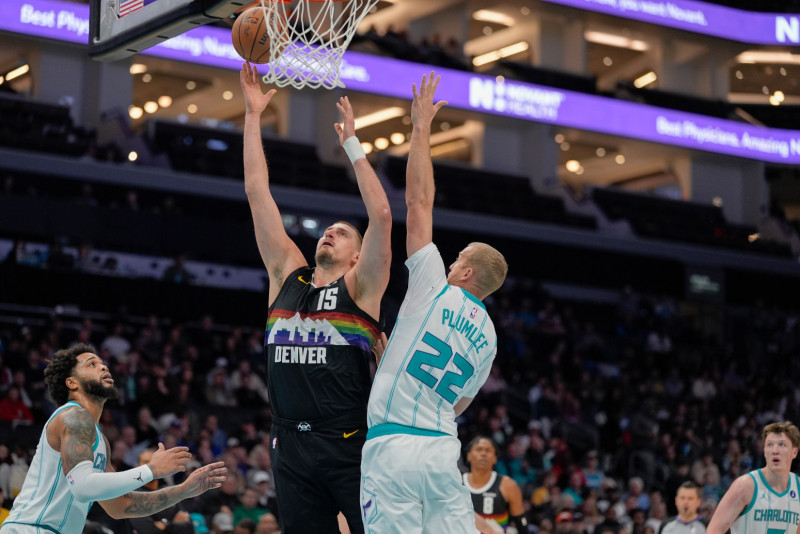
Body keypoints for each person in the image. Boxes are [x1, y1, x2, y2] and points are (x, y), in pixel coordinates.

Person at [240, 62, 392, 534]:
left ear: (358, 257)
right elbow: (257, 192)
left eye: (342, 233)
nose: (330, 232)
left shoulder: (362, 287)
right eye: (328, 229)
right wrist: (252, 115)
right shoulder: (287, 274)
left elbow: (382, 214)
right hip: (289, 444)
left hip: (346, 442)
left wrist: (352, 145)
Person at [359, 71, 508, 533]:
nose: (450, 263)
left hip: (393, 447)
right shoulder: (489, 338)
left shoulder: (433, 287)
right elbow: (460, 403)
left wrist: (420, 126)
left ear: (465, 272)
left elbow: (419, 202)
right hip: (443, 452)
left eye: (457, 258)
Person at [0, 343, 227, 534]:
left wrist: (184, 490)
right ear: (71, 382)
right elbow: (82, 487)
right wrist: (151, 470)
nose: (103, 366)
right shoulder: (73, 416)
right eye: (91, 364)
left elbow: (120, 506)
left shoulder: (100, 440)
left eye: (102, 362)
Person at [706, 421, 800, 534]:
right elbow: (714, 530)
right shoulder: (745, 486)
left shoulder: (798, 487)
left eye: (782, 445)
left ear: (794, 452)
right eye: (770, 445)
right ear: (764, 451)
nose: (775, 451)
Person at [464, 436, 527, 533]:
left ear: (495, 458)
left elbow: (521, 525)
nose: (483, 454)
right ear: (468, 455)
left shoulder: (508, 485)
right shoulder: (457, 484)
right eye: (479, 449)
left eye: (488, 450)